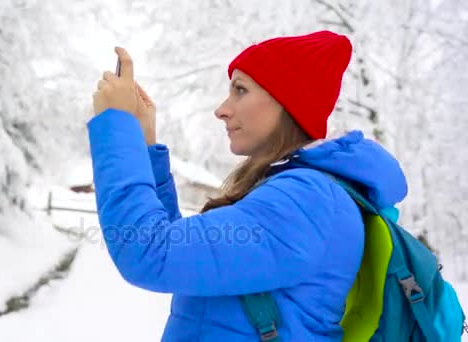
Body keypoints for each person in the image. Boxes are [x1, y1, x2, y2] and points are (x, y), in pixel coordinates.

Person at [87, 30, 407, 341]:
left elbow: (149, 252)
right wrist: (143, 144)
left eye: (240, 90)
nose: (221, 110)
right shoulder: (303, 195)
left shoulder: (305, 200)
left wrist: (116, 125)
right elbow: (182, 256)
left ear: (286, 101)